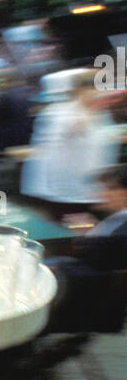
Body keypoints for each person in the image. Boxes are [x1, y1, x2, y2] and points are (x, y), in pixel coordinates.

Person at [21, 70, 120, 216]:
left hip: (96, 190)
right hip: (65, 192)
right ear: (81, 90)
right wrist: (93, 111)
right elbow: (72, 131)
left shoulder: (102, 113)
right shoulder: (58, 112)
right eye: (96, 89)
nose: (101, 93)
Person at [43, 166, 127, 334]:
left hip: (81, 301)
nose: (98, 194)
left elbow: (100, 258)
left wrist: (88, 234)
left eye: (107, 188)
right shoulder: (116, 220)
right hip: (78, 285)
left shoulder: (121, 230)